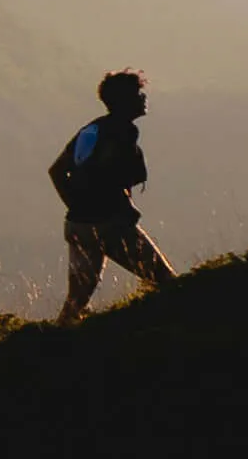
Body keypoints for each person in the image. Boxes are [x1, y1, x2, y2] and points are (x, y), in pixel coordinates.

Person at [49, 69, 175, 321]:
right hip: (111, 225)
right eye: (138, 93)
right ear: (125, 101)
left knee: (76, 301)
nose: (143, 98)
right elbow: (115, 174)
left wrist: (77, 206)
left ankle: (51, 345)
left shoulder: (91, 129)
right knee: (169, 284)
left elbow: (57, 171)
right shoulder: (124, 132)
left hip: (78, 225)